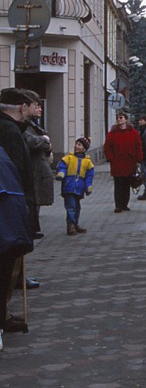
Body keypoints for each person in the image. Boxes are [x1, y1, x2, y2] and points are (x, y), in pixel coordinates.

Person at [0, 88, 35, 350]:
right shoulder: (9, 131)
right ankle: (3, 316)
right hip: (9, 204)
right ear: (21, 107)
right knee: (7, 266)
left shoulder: (13, 128)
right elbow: (14, 170)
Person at [21, 90, 53, 240]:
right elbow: (28, 141)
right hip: (31, 168)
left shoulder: (33, 124)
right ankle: (30, 228)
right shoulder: (23, 125)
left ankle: (33, 227)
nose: (39, 109)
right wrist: (44, 141)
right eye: (37, 106)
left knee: (36, 199)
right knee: (32, 199)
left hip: (37, 167)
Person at [103, 111, 142, 213]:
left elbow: (138, 146)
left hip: (129, 162)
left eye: (121, 118)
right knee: (118, 184)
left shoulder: (133, 132)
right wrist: (111, 158)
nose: (119, 120)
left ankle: (125, 204)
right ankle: (118, 205)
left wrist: (138, 159)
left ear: (125, 119)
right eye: (118, 118)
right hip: (117, 163)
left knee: (127, 184)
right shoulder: (112, 133)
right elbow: (107, 147)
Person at [55, 137, 94, 235]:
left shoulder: (87, 162)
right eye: (76, 144)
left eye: (79, 145)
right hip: (69, 186)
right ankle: (70, 225)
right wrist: (61, 173)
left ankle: (75, 223)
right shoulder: (68, 158)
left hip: (79, 187)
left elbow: (89, 176)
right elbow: (62, 167)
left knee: (77, 207)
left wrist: (88, 186)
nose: (76, 146)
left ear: (84, 149)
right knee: (71, 206)